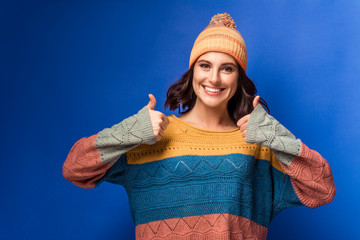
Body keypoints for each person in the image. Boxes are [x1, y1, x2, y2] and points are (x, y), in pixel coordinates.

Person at [63, 13, 336, 239]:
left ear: (238, 78)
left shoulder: (258, 145)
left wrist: (275, 135)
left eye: (227, 68)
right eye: (205, 65)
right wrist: (129, 131)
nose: (214, 78)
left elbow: (323, 188)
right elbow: (75, 168)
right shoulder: (148, 136)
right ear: (192, 71)